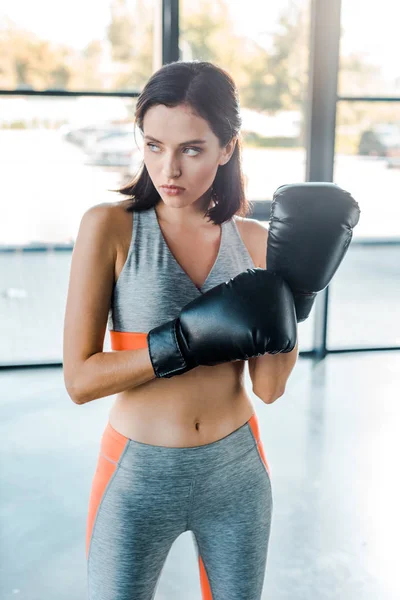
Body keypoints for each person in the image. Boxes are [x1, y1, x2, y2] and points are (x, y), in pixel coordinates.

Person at [63, 60, 299, 600]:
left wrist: (298, 292)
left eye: (191, 149)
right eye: (153, 145)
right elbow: (79, 380)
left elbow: (269, 388)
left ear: (227, 147)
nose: (167, 169)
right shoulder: (111, 227)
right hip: (137, 475)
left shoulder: (259, 242)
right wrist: (182, 343)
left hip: (236, 474)